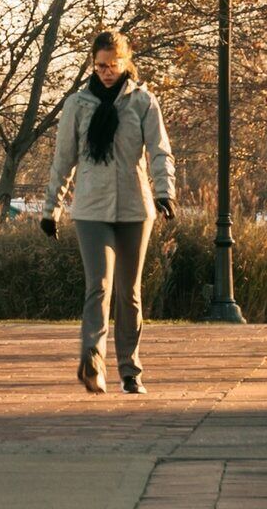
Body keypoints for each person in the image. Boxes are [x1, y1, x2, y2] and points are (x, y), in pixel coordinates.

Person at [43, 28, 177, 394]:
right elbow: (63, 160)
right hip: (90, 208)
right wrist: (50, 209)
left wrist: (166, 192)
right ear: (93, 64)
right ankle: (92, 361)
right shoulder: (77, 104)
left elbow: (160, 150)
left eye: (112, 65)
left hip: (135, 207)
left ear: (125, 62)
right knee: (98, 286)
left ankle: (130, 371)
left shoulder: (143, 101)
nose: (105, 71)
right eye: (100, 65)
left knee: (128, 293)